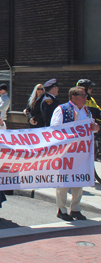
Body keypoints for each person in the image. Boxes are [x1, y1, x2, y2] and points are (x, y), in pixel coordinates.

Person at [51, 86, 100, 221]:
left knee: (80, 180)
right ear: (74, 97)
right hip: (67, 152)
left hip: (81, 153)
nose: (86, 98)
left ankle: (76, 209)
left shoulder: (87, 111)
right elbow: (54, 128)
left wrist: (95, 128)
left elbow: (92, 127)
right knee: (64, 183)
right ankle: (61, 209)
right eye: (83, 96)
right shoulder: (62, 109)